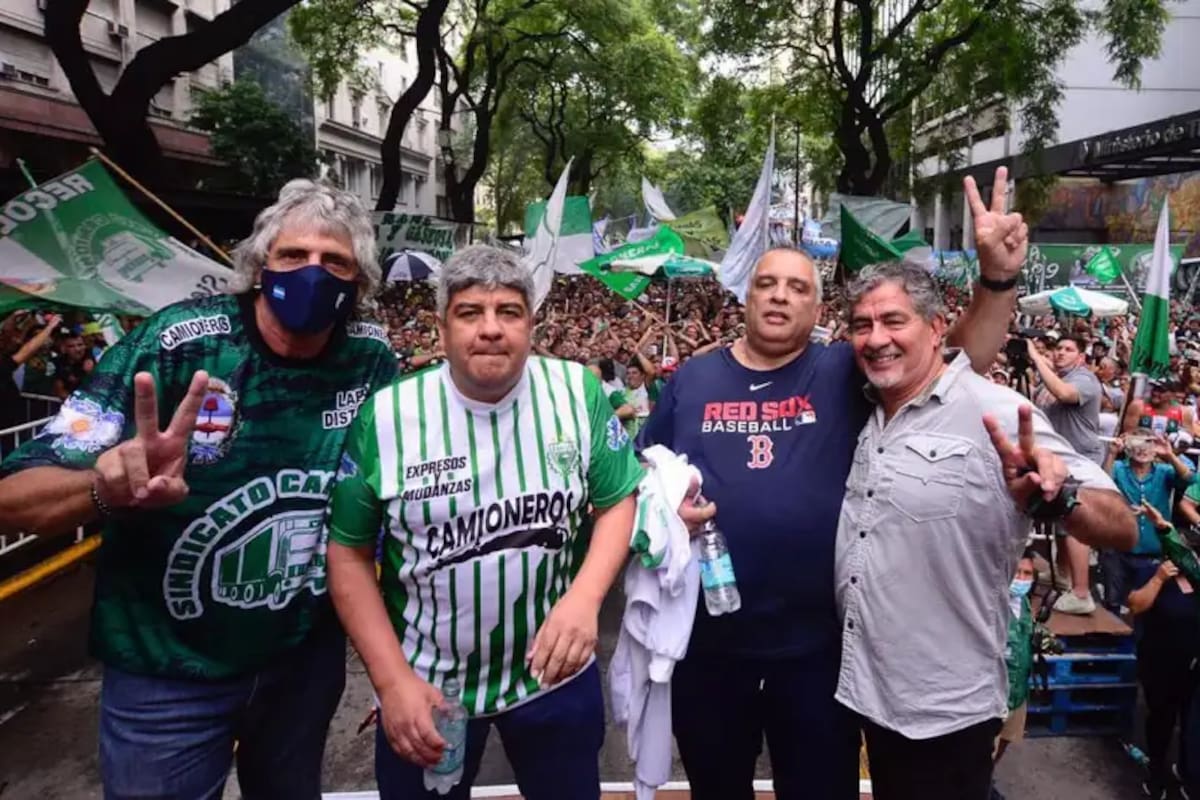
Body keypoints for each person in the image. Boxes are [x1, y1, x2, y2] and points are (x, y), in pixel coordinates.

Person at [636, 167, 1029, 800]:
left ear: (819, 309)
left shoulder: (845, 368)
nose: (780, 296)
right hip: (710, 646)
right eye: (767, 283)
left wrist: (998, 278)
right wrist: (661, 519)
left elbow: (960, 357)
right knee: (716, 787)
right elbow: (639, 482)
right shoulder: (691, 381)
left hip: (820, 653)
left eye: (798, 287)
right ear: (745, 295)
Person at [0, 179, 397, 800]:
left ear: (361, 283)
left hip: (301, 661)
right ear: (259, 267)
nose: (313, 272)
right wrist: (108, 490)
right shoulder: (172, 347)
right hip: (167, 670)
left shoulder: (372, 357)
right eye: (293, 256)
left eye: (335, 261)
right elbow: (15, 495)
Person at [325, 245, 653, 799]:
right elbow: (348, 553)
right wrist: (389, 680)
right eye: (470, 312)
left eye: (509, 312)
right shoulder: (386, 417)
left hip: (553, 674)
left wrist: (585, 599)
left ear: (532, 322)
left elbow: (619, 499)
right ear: (441, 326)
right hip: (427, 682)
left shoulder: (578, 393)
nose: (491, 329)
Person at [835, 261, 1134, 800]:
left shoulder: (994, 408)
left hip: (944, 709)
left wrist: (1058, 496)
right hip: (867, 692)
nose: (876, 339)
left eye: (893, 321)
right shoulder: (867, 409)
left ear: (936, 326)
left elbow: (1122, 526)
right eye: (862, 325)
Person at [1029, 334, 1106, 615]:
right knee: (1060, 523)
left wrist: (1038, 359)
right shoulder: (1048, 378)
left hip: (1081, 459)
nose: (1060, 353)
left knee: (1074, 523)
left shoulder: (1083, 378)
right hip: (1058, 459)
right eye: (1057, 348)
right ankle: (1063, 578)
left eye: (1068, 349)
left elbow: (1065, 394)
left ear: (1081, 356)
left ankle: (1081, 592)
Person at [1130, 502, 1200, 800]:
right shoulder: (1154, 572)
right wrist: (1159, 579)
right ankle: (1156, 771)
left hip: (1193, 666)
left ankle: (1186, 773)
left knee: (1191, 723)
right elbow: (1135, 605)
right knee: (1161, 719)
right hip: (1160, 662)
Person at [1101, 430, 1194, 613]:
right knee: (1112, 604)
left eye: (1149, 444)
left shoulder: (1165, 471)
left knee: (1147, 607)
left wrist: (1170, 456)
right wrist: (1111, 453)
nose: (1142, 449)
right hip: (1118, 549)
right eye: (1137, 444)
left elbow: (1190, 479)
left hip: (1152, 553)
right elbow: (1103, 482)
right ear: (1128, 448)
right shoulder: (1119, 467)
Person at [991, 551, 1038, 800]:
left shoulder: (1026, 606)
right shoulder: (992, 607)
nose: (1021, 579)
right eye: (1017, 573)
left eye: (1027, 574)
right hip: (992, 696)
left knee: (1007, 739)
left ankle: (988, 777)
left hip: (1017, 692)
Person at [0, 311, 60, 432]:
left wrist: (13, 316)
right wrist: (50, 327)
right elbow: (27, 350)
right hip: (9, 425)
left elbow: (6, 336)